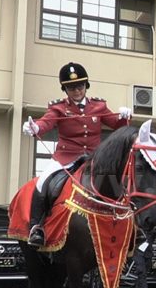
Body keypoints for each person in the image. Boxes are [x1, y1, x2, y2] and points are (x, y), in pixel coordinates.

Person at [22, 62, 132, 246]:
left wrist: (124, 116)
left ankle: (128, 223)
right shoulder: (58, 108)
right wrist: (35, 127)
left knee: (119, 183)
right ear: (65, 89)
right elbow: (46, 123)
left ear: (86, 86)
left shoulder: (98, 106)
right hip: (66, 158)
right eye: (71, 87)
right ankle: (36, 227)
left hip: (94, 159)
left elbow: (116, 124)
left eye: (80, 86)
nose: (76, 91)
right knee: (42, 183)